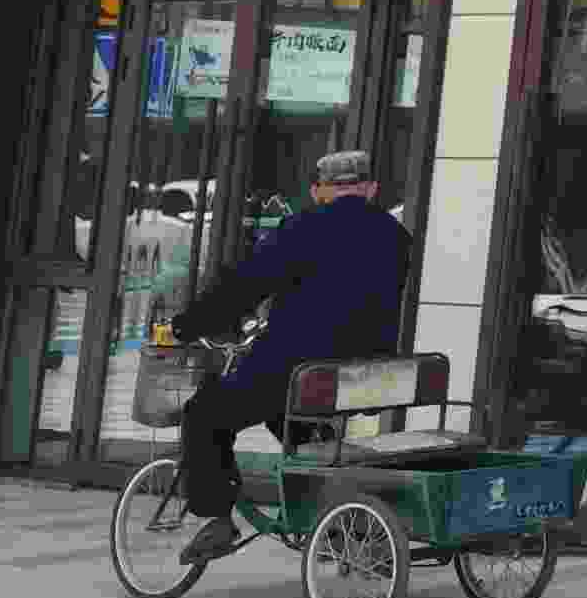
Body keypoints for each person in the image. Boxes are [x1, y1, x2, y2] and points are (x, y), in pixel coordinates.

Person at [163, 149, 413, 566]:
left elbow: (245, 285)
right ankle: (333, 518)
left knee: (205, 415)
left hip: (298, 365)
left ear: (318, 191)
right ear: (371, 189)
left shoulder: (304, 228)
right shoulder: (396, 237)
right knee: (291, 422)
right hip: (362, 373)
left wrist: (188, 325)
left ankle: (215, 517)